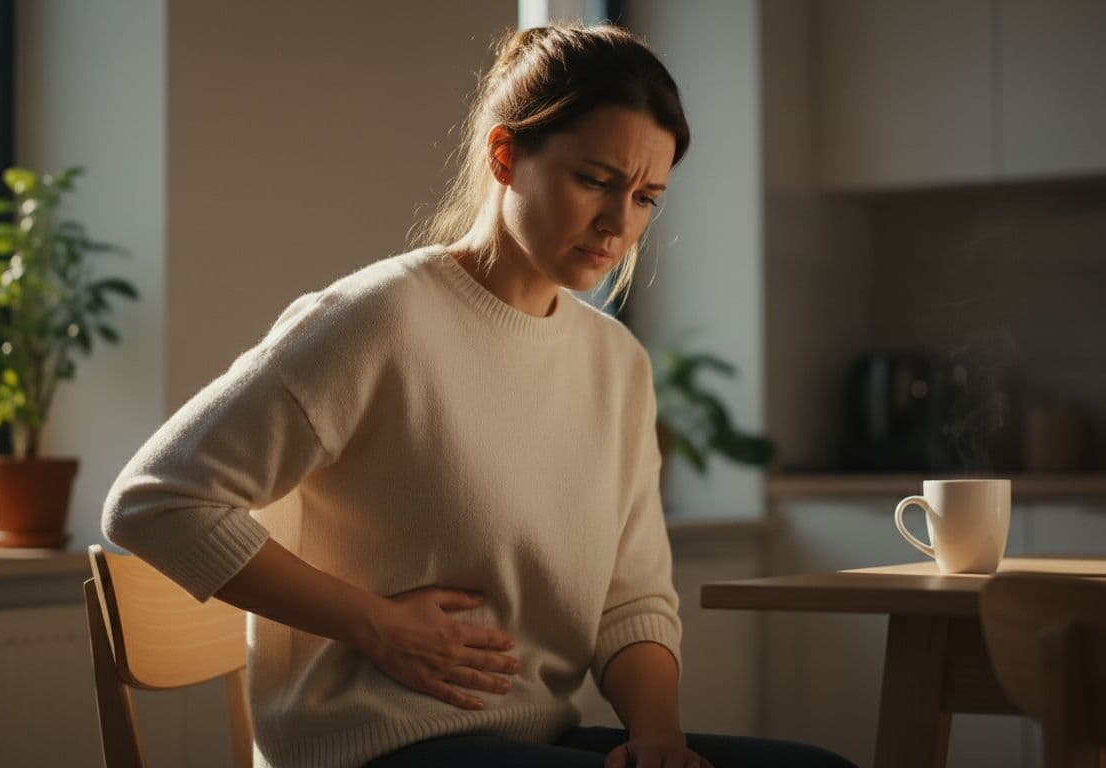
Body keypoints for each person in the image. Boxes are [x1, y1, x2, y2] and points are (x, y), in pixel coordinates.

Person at [103, 22, 856, 768]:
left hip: (534, 740)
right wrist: (375, 625)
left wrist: (657, 738)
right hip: (370, 748)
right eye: (594, 180)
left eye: (646, 197)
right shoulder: (379, 319)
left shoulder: (616, 363)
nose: (618, 223)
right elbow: (155, 502)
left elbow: (632, 602)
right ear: (506, 155)